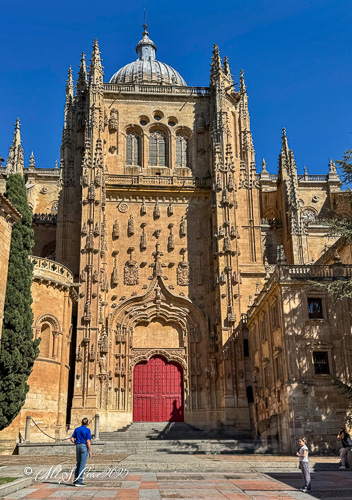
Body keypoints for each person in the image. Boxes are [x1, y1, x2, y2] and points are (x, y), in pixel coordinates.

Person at [70, 418, 92, 486]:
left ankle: (75, 480)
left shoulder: (77, 429)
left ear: (81, 422)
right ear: (87, 423)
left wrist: (75, 443)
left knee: (78, 464)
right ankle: (79, 481)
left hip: (78, 446)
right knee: (82, 464)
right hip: (84, 447)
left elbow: (72, 438)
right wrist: (90, 450)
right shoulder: (87, 430)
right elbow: (88, 441)